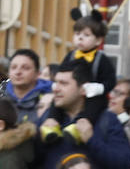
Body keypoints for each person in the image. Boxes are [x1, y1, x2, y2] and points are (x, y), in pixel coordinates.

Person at [34, 60, 130, 169]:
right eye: (56, 83)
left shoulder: (107, 120)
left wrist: (91, 140)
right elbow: (32, 162)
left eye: (64, 83)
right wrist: (39, 137)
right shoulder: (49, 117)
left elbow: (124, 165)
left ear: (83, 89)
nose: (56, 88)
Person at [37, 13, 115, 144]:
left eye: (86, 35)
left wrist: (100, 88)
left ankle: (80, 128)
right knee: (56, 103)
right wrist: (57, 83)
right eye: (77, 34)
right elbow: (61, 71)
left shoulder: (102, 59)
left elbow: (110, 80)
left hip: (93, 95)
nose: (80, 38)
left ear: (98, 40)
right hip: (70, 92)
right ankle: (52, 125)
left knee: (94, 106)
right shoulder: (71, 55)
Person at [2, 48, 51, 124]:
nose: (18, 72)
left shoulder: (48, 103)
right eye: (14, 67)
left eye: (25, 68)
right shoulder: (1, 101)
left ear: (37, 74)